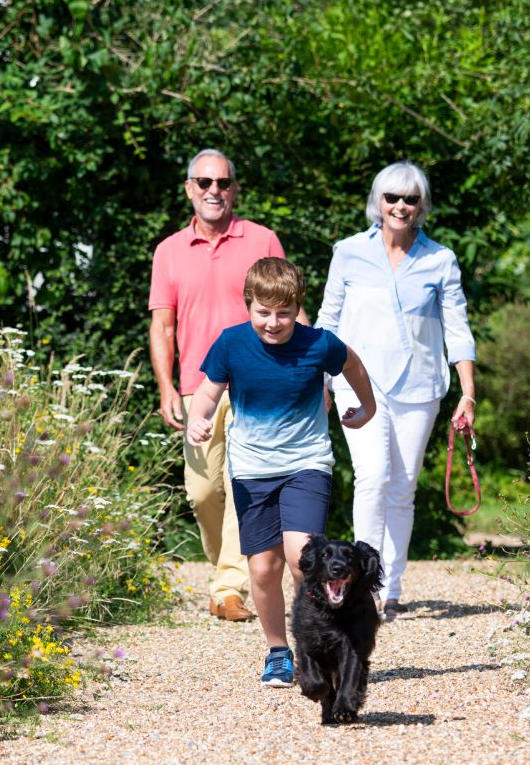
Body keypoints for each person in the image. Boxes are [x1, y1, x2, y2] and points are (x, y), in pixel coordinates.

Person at [186, 257, 375, 686]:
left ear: (297, 308)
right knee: (262, 570)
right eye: (264, 313)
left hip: (306, 463)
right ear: (248, 305)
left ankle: (320, 644)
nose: (274, 323)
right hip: (252, 470)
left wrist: (367, 406)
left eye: (284, 313)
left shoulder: (318, 344)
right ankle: (277, 652)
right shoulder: (231, 344)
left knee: (301, 557)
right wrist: (200, 418)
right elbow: (208, 392)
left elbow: (354, 366)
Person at [315, 162, 476, 620]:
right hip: (355, 381)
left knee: (401, 488)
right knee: (371, 476)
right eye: (392, 198)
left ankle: (392, 587)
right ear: (377, 202)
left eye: (410, 199)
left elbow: (458, 330)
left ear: (421, 205)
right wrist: (321, 379)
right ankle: (360, 587)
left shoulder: (439, 259)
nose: (400, 206)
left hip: (419, 387)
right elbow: (328, 321)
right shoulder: (348, 253)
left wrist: (467, 393)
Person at [149, 149, 289, 622]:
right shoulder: (168, 251)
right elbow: (162, 328)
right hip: (197, 388)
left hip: (258, 383)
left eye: (223, 183)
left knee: (243, 484)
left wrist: (312, 373)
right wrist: (167, 387)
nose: (215, 191)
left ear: (235, 189)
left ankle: (230, 586)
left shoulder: (262, 239)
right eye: (205, 182)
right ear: (189, 188)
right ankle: (225, 571)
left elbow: (287, 310)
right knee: (203, 491)